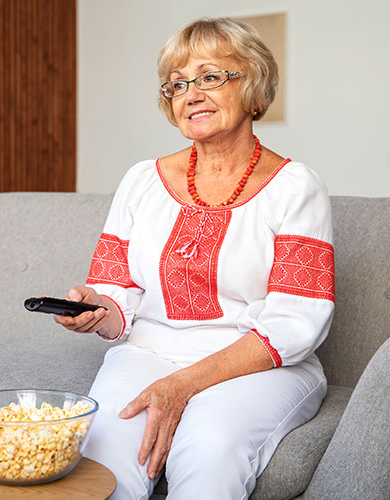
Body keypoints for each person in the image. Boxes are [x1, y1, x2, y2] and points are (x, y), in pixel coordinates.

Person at [55, 17, 335, 500]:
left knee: (208, 449)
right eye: (178, 84)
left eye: (209, 77)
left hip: (260, 366)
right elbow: (119, 293)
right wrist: (96, 308)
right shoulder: (142, 181)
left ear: (252, 86)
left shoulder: (295, 187)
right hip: (147, 352)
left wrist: (182, 384)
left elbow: (296, 323)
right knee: (99, 458)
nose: (191, 93)